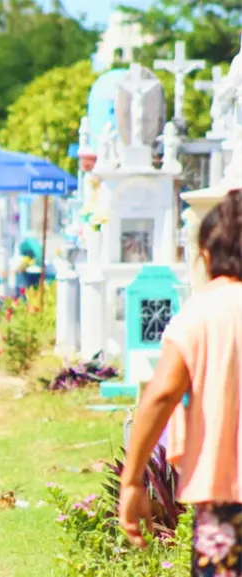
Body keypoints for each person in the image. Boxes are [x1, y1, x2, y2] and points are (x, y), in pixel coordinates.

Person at [118, 189, 242, 576]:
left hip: (226, 497)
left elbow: (161, 394)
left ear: (206, 254)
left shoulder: (203, 311)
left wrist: (133, 481)